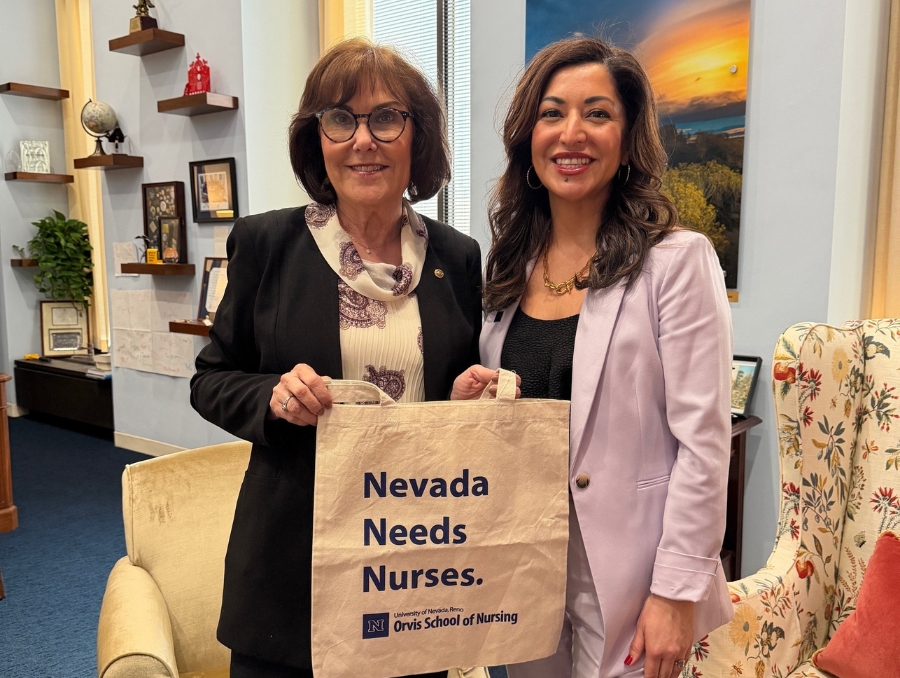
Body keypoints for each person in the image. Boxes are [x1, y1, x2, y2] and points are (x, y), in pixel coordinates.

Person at [190, 38, 484, 678]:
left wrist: (462, 403)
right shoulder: (267, 242)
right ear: (317, 139)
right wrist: (270, 396)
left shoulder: (457, 260)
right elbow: (211, 379)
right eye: (340, 119)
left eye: (386, 118)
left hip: (415, 563)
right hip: (294, 565)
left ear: (418, 137)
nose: (363, 140)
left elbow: (447, 403)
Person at [463, 37, 734, 678]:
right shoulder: (506, 268)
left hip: (632, 573)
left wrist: (674, 591)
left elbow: (704, 442)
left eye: (598, 113)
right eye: (552, 113)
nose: (571, 134)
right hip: (524, 560)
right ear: (529, 136)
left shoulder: (677, 261)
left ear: (628, 136)